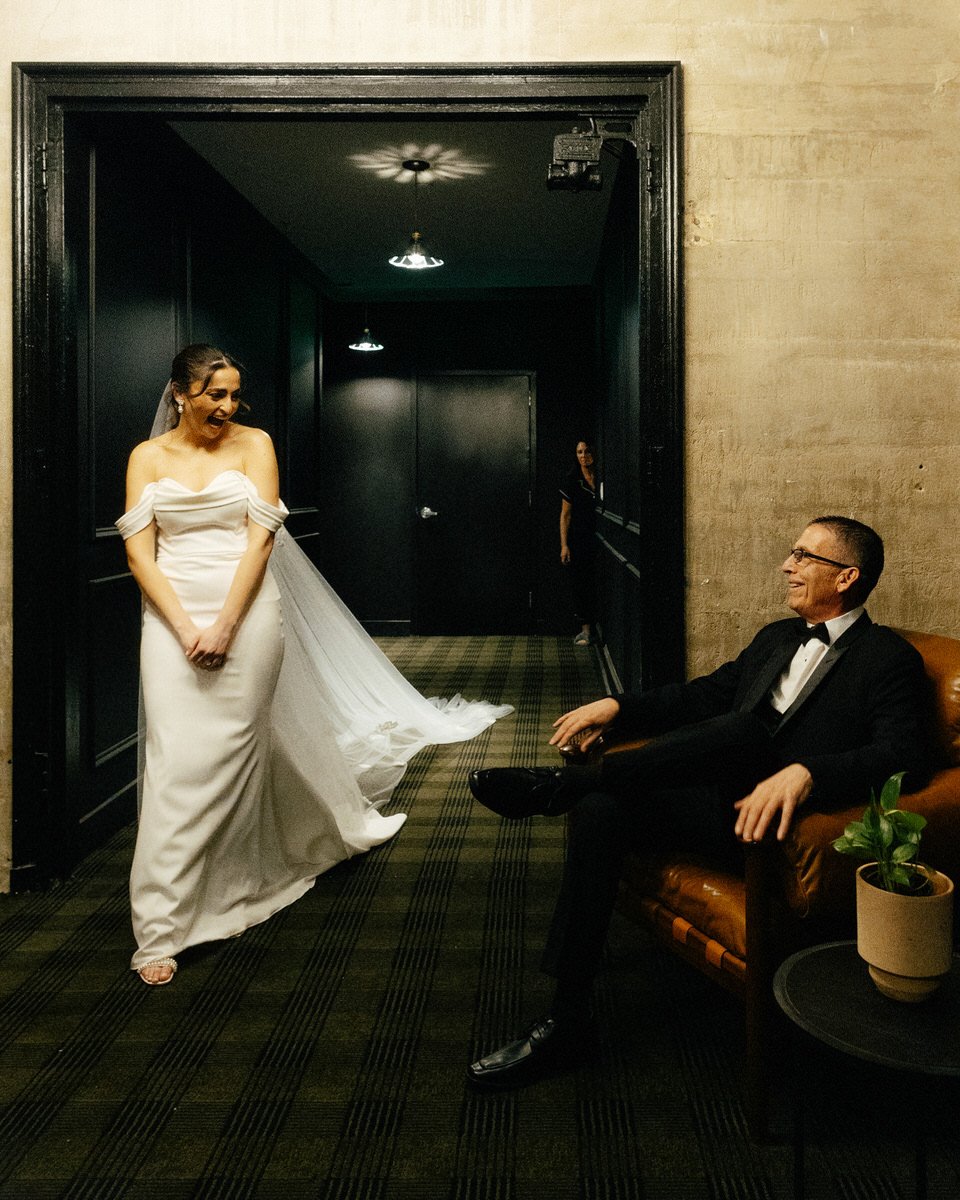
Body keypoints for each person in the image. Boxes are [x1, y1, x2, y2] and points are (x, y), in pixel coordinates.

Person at [466, 516, 931, 1087]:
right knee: (601, 810)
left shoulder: (888, 658)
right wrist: (618, 706)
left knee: (740, 731)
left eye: (804, 556)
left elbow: (903, 754)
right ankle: (567, 1018)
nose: (787, 566)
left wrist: (808, 772)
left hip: (772, 826)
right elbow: (700, 695)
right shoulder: (776, 638)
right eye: (793, 553)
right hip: (713, 800)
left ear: (846, 577)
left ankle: (563, 785)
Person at [118, 344, 512, 985]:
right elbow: (140, 556)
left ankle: (233, 887)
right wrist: (186, 626)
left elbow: (261, 541)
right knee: (177, 762)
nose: (226, 406)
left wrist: (224, 624)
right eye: (213, 394)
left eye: (233, 394)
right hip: (168, 623)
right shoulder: (146, 458)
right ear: (179, 394)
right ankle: (160, 926)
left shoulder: (255, 445)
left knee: (235, 756)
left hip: (248, 615)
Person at [559, 440, 597, 646]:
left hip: (599, 537)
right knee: (583, 583)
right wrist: (564, 545)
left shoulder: (601, 476)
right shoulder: (572, 479)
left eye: (587, 451)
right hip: (580, 538)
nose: (583, 456)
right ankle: (586, 630)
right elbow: (565, 515)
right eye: (579, 452)